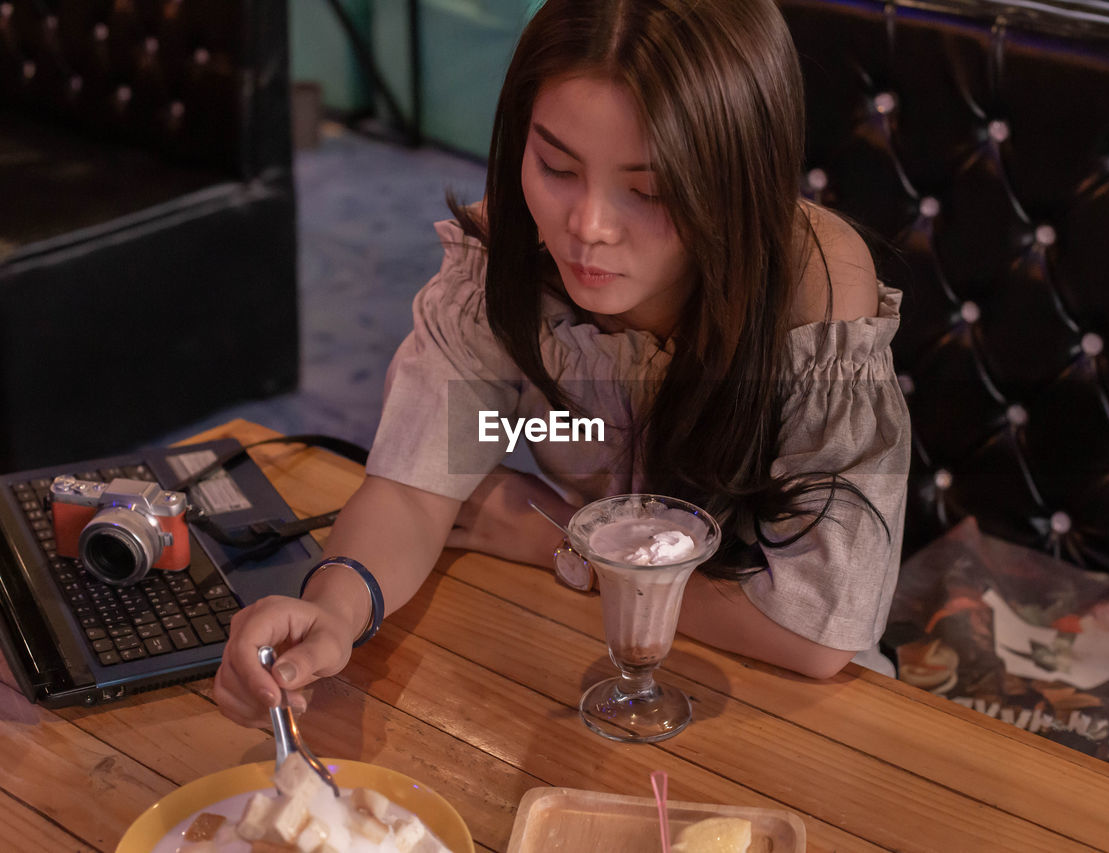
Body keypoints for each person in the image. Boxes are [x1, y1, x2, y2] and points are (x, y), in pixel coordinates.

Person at [213, 0, 911, 726]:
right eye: (556, 165)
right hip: (586, 656)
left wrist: (560, 538)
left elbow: (815, 632)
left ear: (737, 181)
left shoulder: (815, 287)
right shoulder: (508, 255)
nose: (587, 227)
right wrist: (331, 609)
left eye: (649, 191)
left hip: (789, 703)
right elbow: (413, 491)